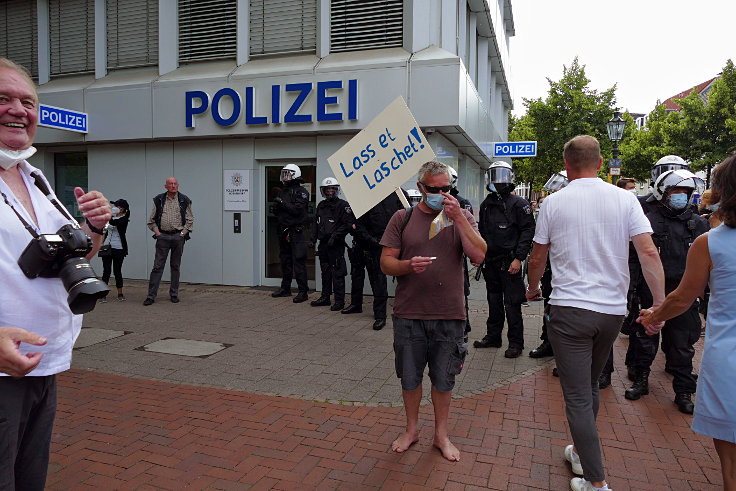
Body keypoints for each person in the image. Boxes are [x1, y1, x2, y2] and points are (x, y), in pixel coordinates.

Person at [526, 135, 665, 491]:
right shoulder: (625, 199)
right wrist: (660, 305)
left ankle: (597, 482)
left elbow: (538, 257)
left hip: (570, 310)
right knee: (588, 386)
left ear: (567, 165)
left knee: (576, 395)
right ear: (600, 164)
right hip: (611, 312)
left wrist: (532, 288)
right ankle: (580, 453)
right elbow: (648, 253)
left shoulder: (553, 203)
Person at [0, 57, 111, 490]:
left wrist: (94, 229)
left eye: (28, 102)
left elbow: (69, 258)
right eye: (3, 98)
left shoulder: (35, 177)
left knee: (29, 479)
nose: (18, 110)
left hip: (42, 363)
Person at [638, 152, 736, 491]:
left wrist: (654, 315)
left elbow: (682, 297)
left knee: (729, 439)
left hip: (728, 357)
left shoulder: (710, 241)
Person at [380, 160, 486, 461]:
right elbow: (385, 261)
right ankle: (411, 429)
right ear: (421, 188)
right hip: (409, 314)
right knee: (410, 378)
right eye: (434, 189)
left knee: (444, 379)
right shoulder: (403, 217)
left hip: (449, 314)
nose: (441, 193)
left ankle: (441, 435)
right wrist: (406, 266)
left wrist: (459, 219)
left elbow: (479, 255)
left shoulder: (462, 216)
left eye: (446, 188)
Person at [622, 170, 709, 413]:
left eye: (685, 192)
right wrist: (633, 289)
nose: (680, 197)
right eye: (675, 191)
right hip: (651, 290)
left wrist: (703, 294)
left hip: (684, 291)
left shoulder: (698, 223)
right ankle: (641, 380)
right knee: (644, 339)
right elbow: (635, 257)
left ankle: (683, 391)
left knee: (682, 345)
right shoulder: (647, 218)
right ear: (663, 192)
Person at [474, 161, 535, 358]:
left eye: (502, 178)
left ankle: (516, 343)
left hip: (510, 262)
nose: (499, 182)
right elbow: (481, 232)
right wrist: (479, 256)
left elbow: (527, 231)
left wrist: (519, 258)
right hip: (491, 261)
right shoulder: (486, 205)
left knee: (512, 304)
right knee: (493, 301)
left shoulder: (520, 204)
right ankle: (493, 337)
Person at [342, 192, 404, 330]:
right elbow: (355, 222)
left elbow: (404, 219)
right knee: (357, 275)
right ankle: (356, 304)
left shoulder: (397, 194)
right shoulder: (363, 196)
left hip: (384, 245)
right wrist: (369, 239)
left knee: (378, 280)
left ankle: (380, 315)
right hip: (364, 242)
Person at [528, 169, 569, 360]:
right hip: (553, 269)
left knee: (567, 315)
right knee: (550, 308)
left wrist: (532, 285)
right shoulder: (554, 208)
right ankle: (549, 342)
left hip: (570, 272)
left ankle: (565, 352)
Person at [144, 177, 193, 305]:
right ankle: (151, 296)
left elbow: (190, 219)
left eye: (175, 183)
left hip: (178, 237)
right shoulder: (159, 199)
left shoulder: (184, 199)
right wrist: (158, 233)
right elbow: (151, 220)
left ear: (178, 185)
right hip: (163, 237)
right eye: (170, 184)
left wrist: (183, 233)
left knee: (175, 266)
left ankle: (174, 294)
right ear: (165, 186)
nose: (173, 186)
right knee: (157, 267)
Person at [309, 177, 353, 311]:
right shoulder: (321, 205)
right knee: (325, 271)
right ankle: (325, 297)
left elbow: (347, 224)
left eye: (332, 189)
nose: (329, 192)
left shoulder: (343, 205)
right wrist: (312, 238)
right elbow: (315, 224)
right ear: (323, 191)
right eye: (327, 190)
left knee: (338, 273)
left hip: (336, 244)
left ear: (336, 190)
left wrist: (335, 236)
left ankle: (339, 301)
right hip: (323, 244)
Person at [271, 163, 310, 303]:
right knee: (285, 260)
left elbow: (297, 210)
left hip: (296, 231)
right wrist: (276, 207)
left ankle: (303, 291)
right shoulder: (283, 191)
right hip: (283, 230)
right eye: (284, 174)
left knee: (298, 261)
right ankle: (285, 288)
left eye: (288, 174)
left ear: (295, 175)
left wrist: (282, 203)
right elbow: (279, 212)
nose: (285, 177)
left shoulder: (302, 192)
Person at [448, 166, 474, 338]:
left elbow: (470, 233)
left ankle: (464, 323)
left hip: (457, 257)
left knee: (461, 291)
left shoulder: (463, 203)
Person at [100, 199, 130, 302]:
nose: (116, 208)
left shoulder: (124, 219)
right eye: (115, 206)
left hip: (119, 247)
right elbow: (102, 227)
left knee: (117, 270)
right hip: (107, 246)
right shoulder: (110, 217)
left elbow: (114, 222)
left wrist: (109, 215)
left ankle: (120, 294)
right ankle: (103, 294)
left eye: (118, 206)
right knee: (106, 271)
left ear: (123, 209)